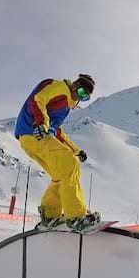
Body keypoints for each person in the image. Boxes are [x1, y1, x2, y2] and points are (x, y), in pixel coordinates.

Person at [15, 74, 99, 230]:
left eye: (85, 97)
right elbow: (38, 99)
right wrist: (41, 123)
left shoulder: (64, 105)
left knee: (60, 175)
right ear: (75, 85)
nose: (80, 98)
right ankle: (75, 216)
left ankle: (50, 215)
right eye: (81, 92)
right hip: (33, 133)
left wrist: (77, 150)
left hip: (31, 137)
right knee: (69, 164)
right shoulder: (60, 88)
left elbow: (57, 131)